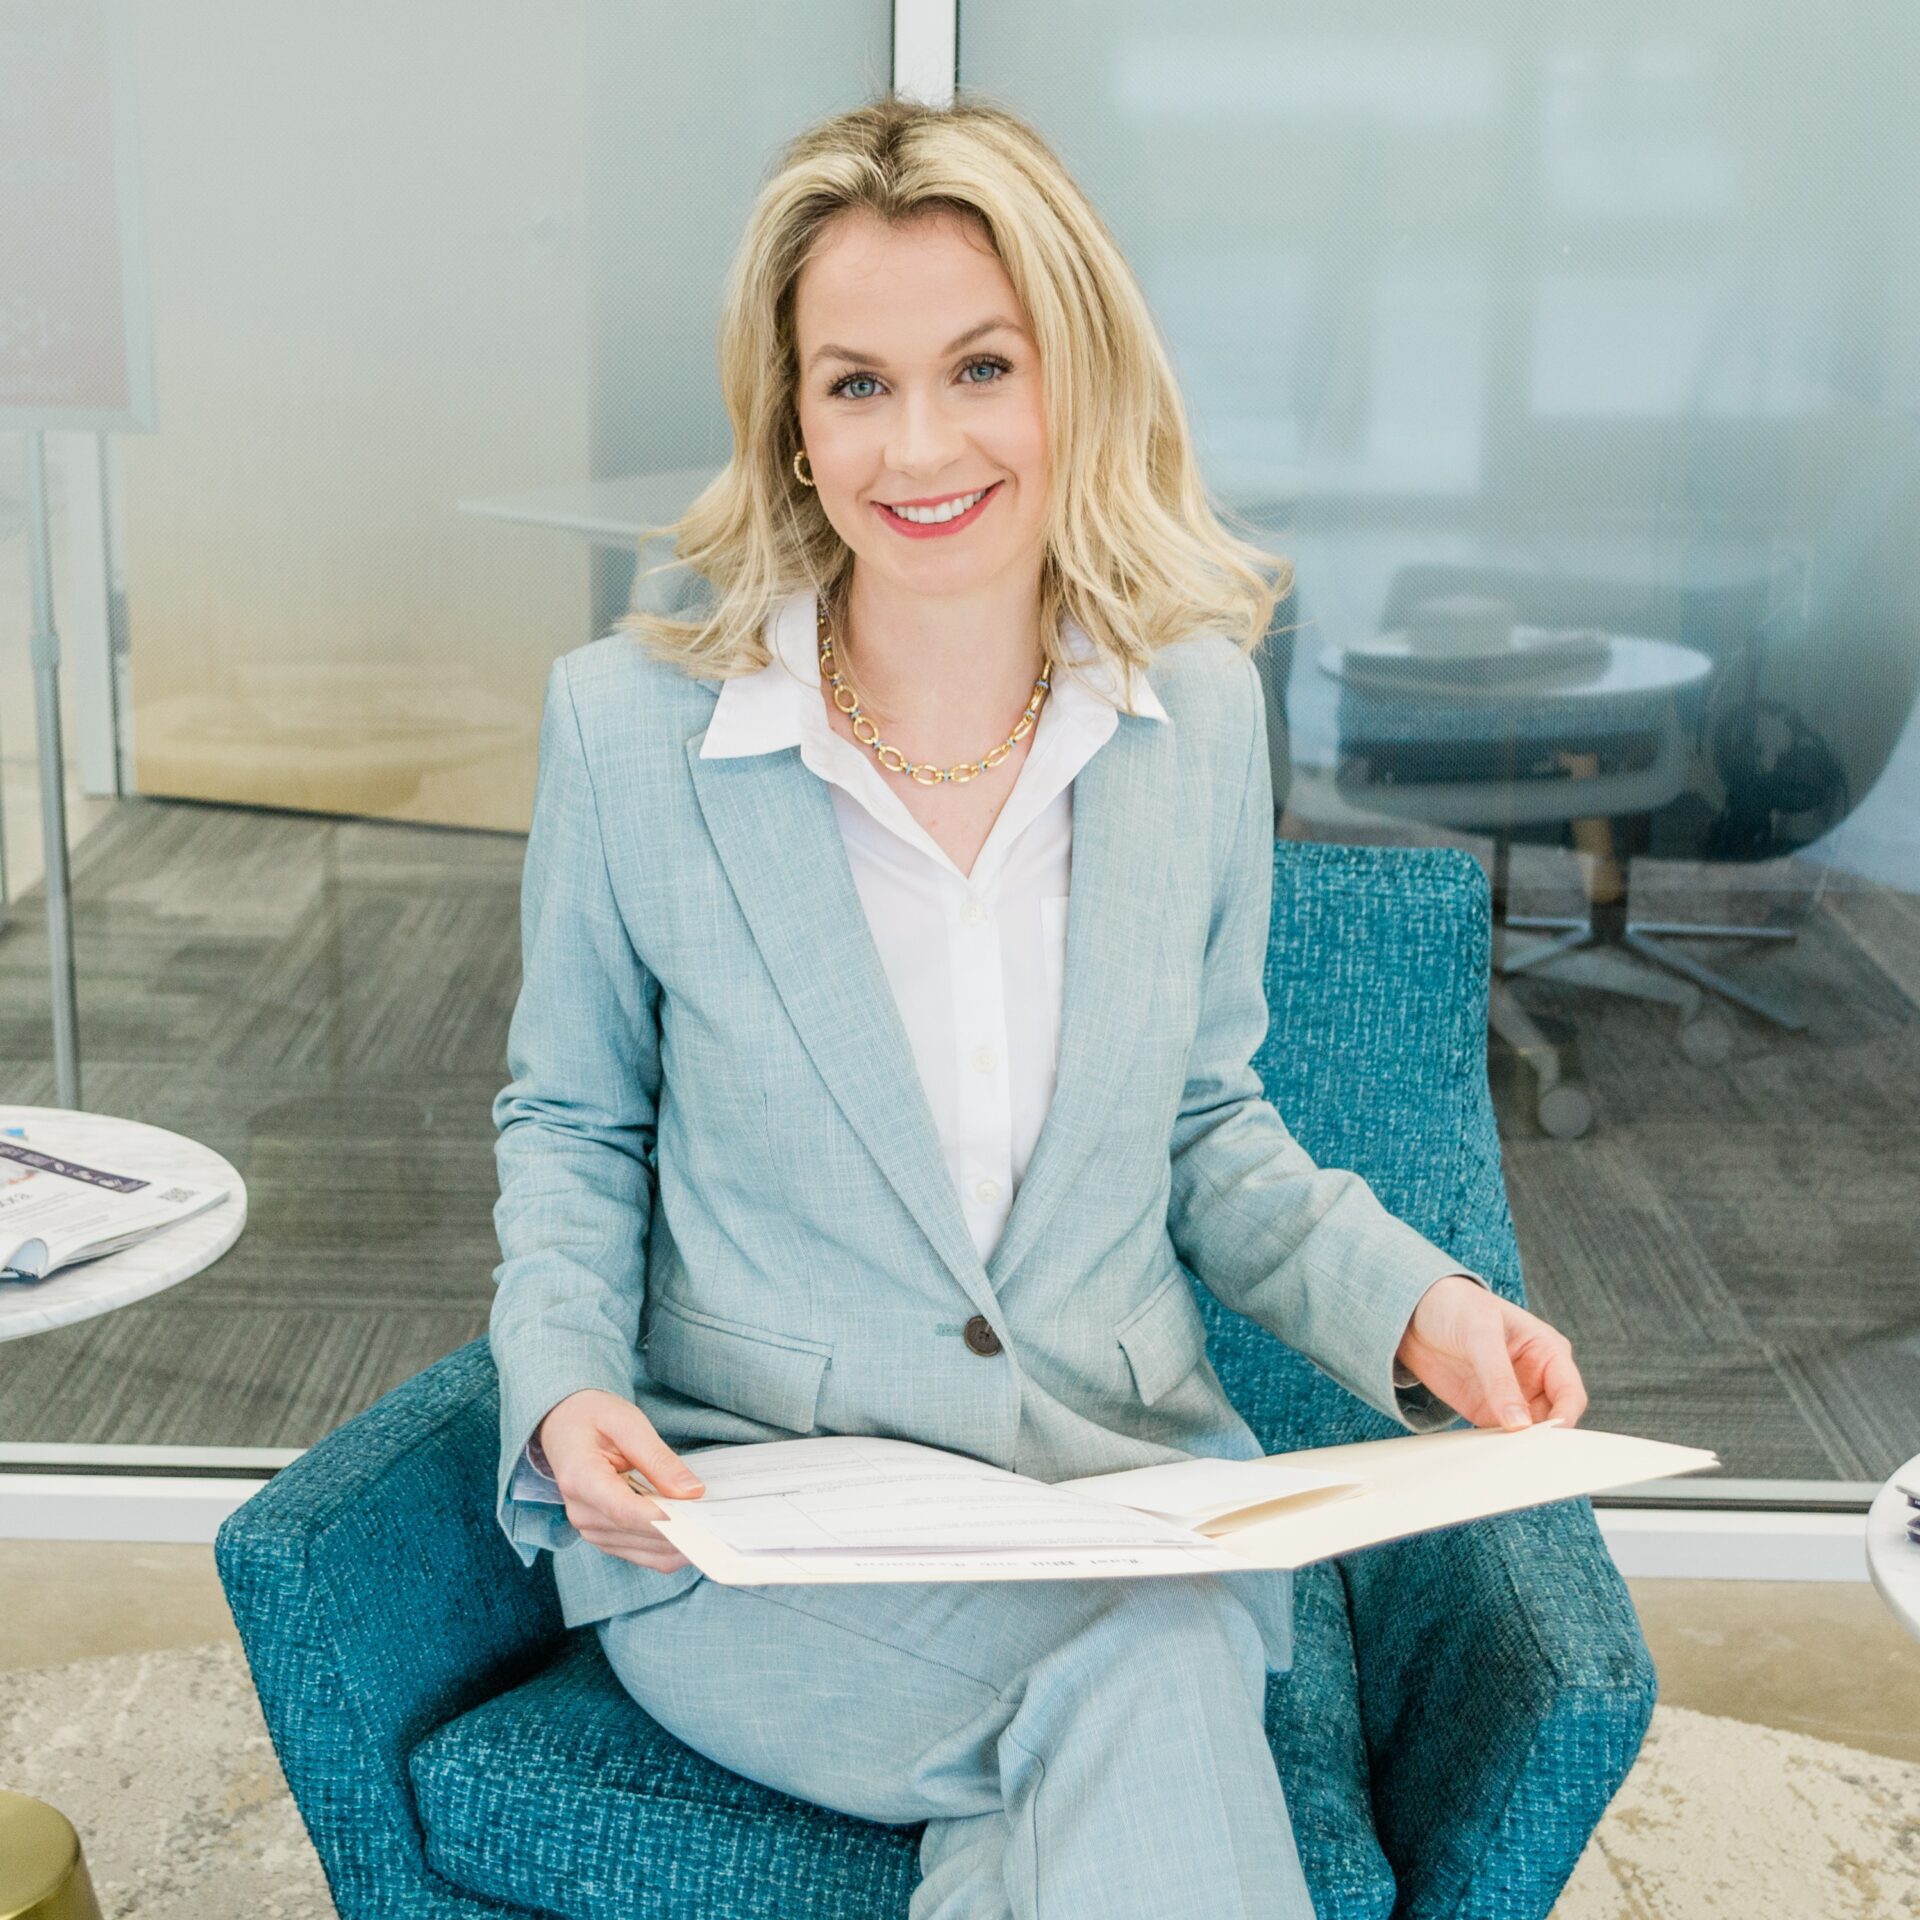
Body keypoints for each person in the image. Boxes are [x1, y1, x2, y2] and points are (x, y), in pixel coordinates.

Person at [489, 90, 1587, 1920]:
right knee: (1153, 1666)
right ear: (791, 418)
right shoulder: (627, 730)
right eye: (857, 383)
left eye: (981, 367)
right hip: (758, 1527)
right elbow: (574, 1123)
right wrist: (564, 1384)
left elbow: (1210, 1128)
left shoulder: (1198, 712)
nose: (920, 443)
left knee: (1115, 1705)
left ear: (1075, 375)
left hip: (1115, 1490)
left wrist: (1425, 1309)